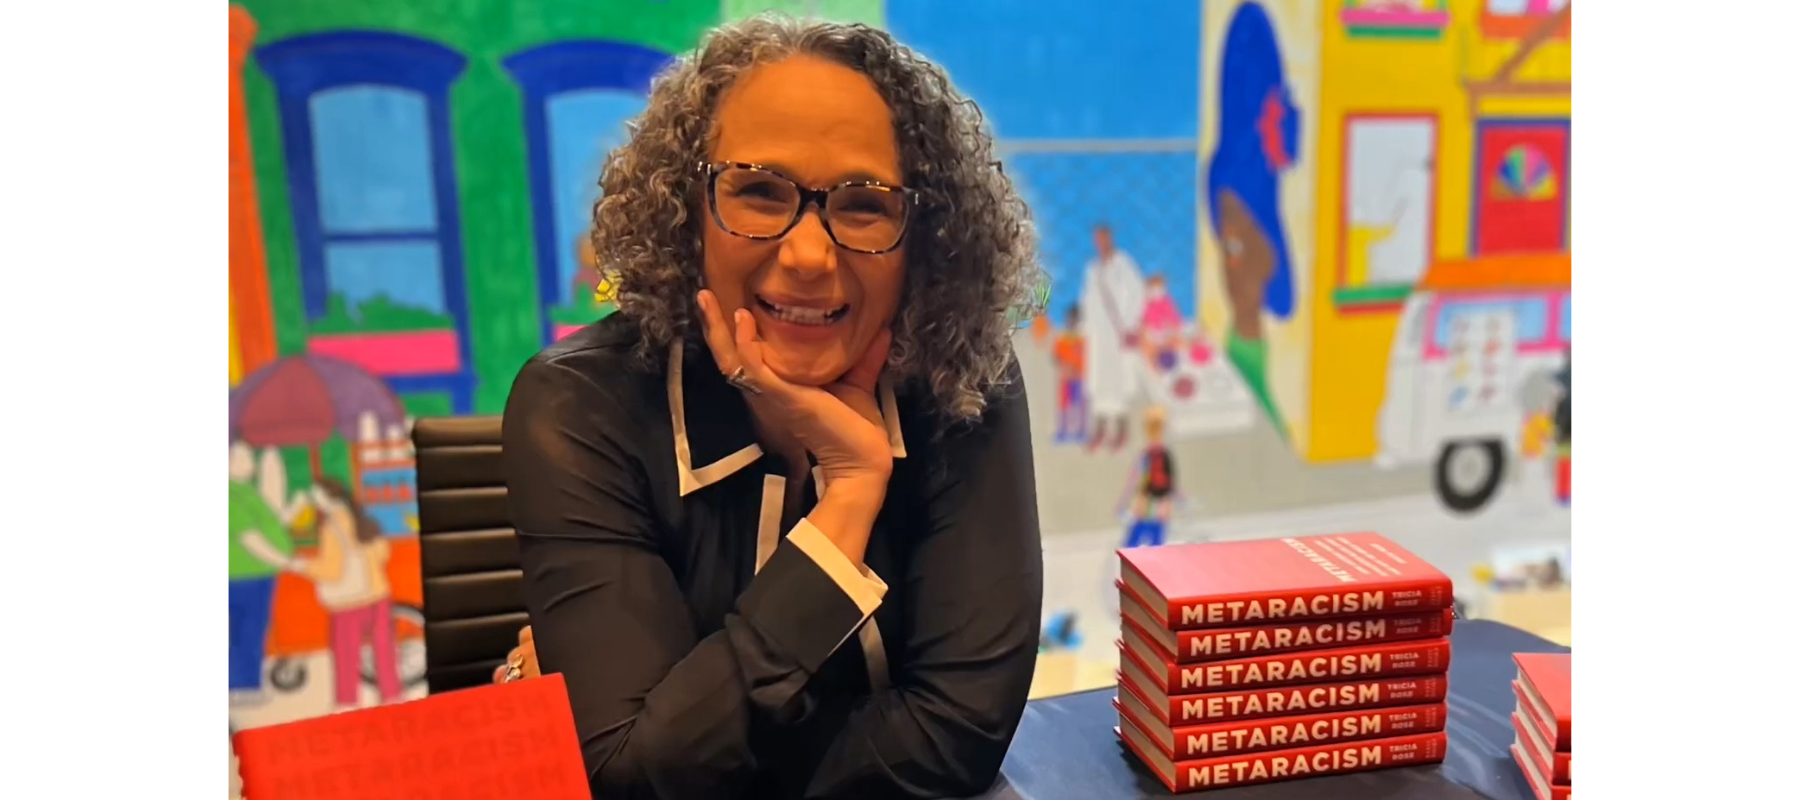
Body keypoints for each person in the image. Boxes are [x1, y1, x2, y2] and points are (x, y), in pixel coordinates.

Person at [494, 17, 1045, 800]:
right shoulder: (580, 406)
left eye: (863, 204)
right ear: (687, 215)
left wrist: (696, 737)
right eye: (758, 191)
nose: (809, 255)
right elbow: (634, 777)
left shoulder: (965, 379)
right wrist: (847, 504)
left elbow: (960, 736)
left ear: (924, 238)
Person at [1078, 223, 1147, 452]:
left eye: (1103, 238)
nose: (1101, 243)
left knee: (1118, 383)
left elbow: (1138, 292)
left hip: (1118, 334)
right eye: (1097, 239)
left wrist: (1130, 324)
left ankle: (1121, 431)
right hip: (1098, 336)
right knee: (1098, 381)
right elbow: (1087, 300)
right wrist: (1084, 328)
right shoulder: (1092, 269)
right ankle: (1099, 430)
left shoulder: (1123, 264)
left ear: (1110, 238)